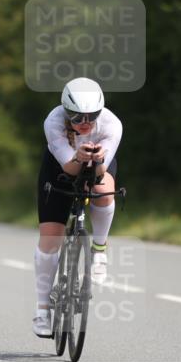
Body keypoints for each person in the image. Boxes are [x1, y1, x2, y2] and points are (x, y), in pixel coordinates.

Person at [32, 77, 122, 338]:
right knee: (50, 238)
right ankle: (42, 310)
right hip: (60, 167)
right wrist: (78, 157)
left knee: (104, 190)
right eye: (76, 117)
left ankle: (100, 250)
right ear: (64, 111)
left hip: (98, 163)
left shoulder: (111, 124)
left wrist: (95, 159)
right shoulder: (53, 121)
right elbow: (69, 167)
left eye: (91, 116)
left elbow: (101, 171)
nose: (84, 123)